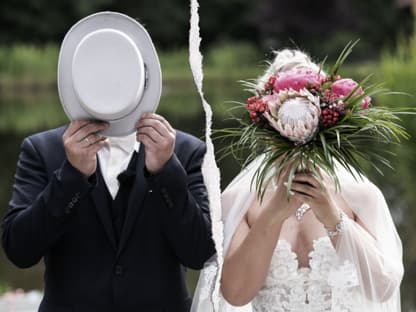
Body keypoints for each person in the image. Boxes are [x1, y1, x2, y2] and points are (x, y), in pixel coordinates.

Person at [192, 50, 404, 312]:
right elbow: (236, 295)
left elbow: (382, 289)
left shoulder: (360, 195)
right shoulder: (238, 200)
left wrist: (332, 217)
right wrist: (272, 215)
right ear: (266, 126)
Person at [1, 113, 216, 311]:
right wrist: (71, 176)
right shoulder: (42, 149)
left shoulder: (186, 150)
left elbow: (201, 254)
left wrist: (166, 171)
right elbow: (20, 251)